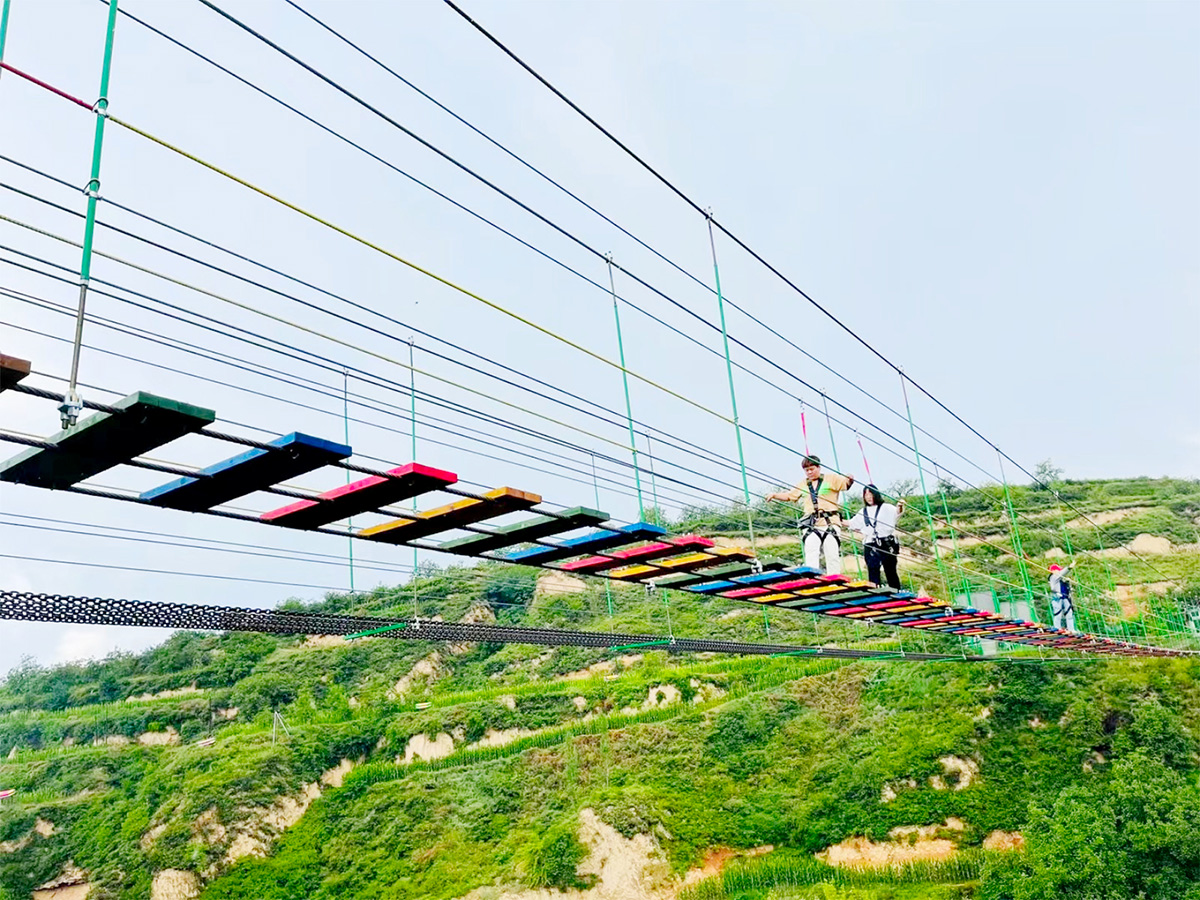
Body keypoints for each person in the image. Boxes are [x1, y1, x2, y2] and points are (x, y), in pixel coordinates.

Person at [766, 455, 853, 575]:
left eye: (812, 469)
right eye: (807, 470)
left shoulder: (831, 479)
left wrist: (850, 479)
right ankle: (812, 577)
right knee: (811, 553)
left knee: (832, 554)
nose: (809, 472)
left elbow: (845, 484)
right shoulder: (803, 484)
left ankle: (834, 578)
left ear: (818, 468)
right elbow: (790, 496)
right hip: (811, 523)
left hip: (830, 522)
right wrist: (775, 495)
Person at [847, 485, 905, 589]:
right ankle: (875, 592)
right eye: (866, 495)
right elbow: (852, 523)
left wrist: (900, 506)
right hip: (870, 543)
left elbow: (897, 512)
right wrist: (836, 519)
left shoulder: (886, 507)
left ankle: (896, 592)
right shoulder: (863, 511)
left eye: (871, 494)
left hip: (886, 542)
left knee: (890, 571)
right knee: (872, 571)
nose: (869, 497)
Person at [1048, 563, 1077, 631]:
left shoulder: (1060, 579)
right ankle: (1057, 628)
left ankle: (1071, 629)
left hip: (1065, 597)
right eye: (1058, 570)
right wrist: (1069, 567)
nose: (1059, 571)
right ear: (1053, 570)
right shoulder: (1053, 577)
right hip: (1057, 597)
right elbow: (1062, 573)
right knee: (1058, 613)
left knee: (1069, 613)